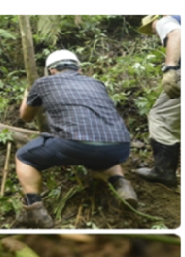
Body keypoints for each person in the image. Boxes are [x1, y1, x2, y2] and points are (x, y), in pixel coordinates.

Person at [15, 50, 138, 228]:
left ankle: (34, 209)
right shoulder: (97, 83)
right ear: (79, 69)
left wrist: (28, 93)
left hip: (74, 144)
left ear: (52, 70)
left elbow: (25, 116)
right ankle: (121, 183)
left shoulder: (42, 83)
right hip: (119, 146)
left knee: (23, 157)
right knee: (102, 146)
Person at [135, 15, 181, 187]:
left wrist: (170, 68)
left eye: (151, 28)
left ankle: (164, 172)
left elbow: (176, 34)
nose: (153, 31)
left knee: (160, 116)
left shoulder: (166, 20)